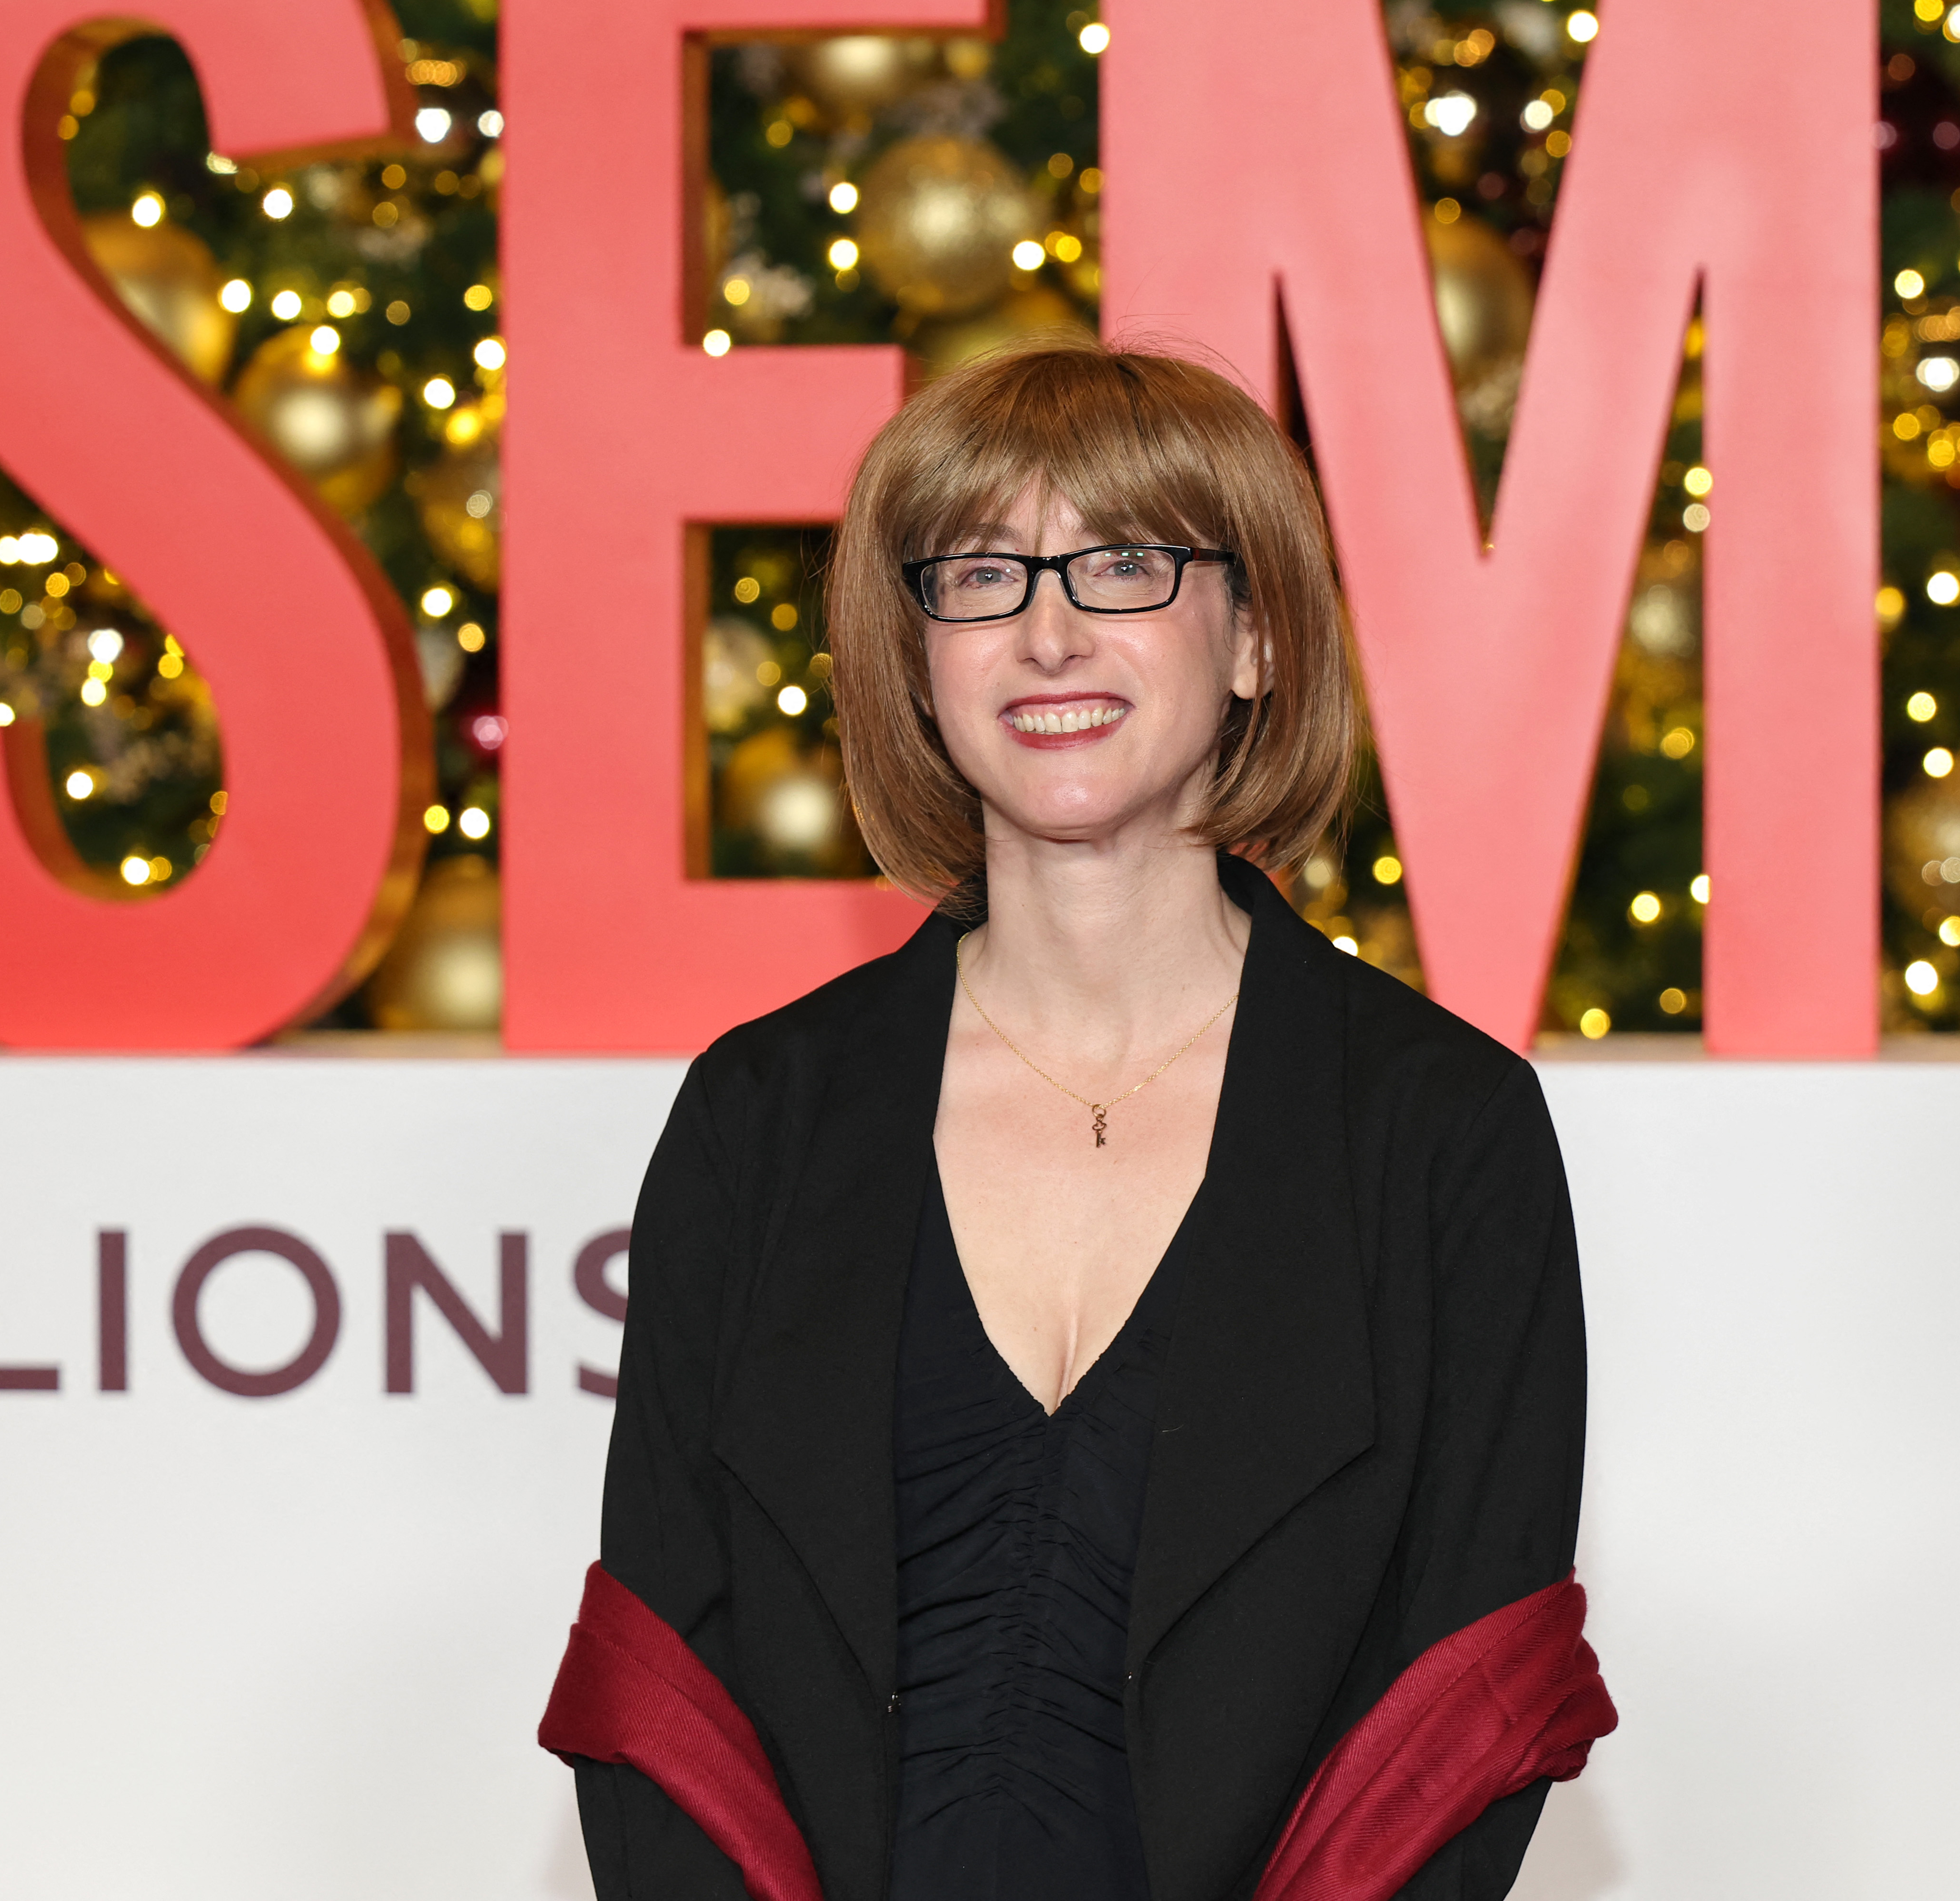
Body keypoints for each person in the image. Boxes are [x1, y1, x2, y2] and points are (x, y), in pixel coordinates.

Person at [548, 333, 1596, 1901]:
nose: (1047, 635)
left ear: (1253, 639)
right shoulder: (760, 1118)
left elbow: (1468, 1709)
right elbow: (660, 1687)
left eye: (1121, 566)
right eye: (978, 575)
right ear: (914, 655)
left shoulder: (1445, 1132)